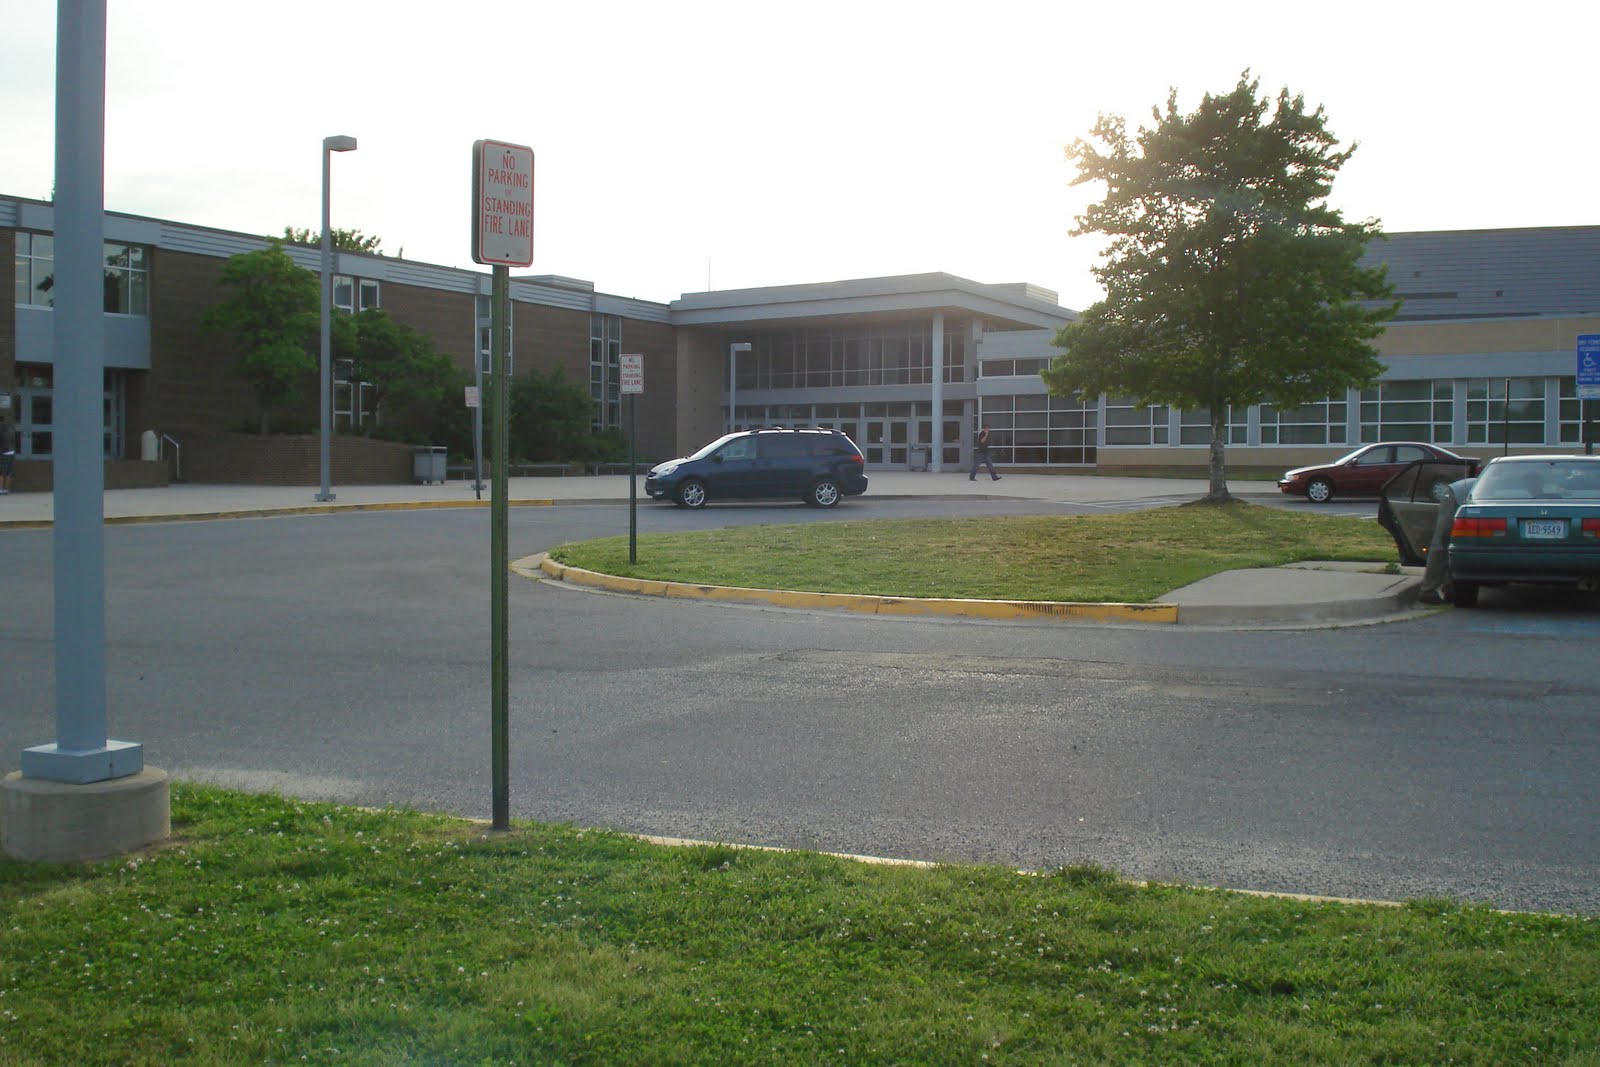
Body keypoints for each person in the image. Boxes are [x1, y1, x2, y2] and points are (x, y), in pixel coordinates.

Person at [1416, 476, 1476, 605]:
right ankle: (1427, 591)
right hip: (1454, 495)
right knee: (1442, 541)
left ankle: (1449, 587)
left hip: (1465, 498)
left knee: (1453, 544)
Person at [0, 413, 15, 495]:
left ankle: (1, 489)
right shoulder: (9, 428)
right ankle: (6, 490)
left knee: (1, 472)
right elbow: (13, 439)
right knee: (9, 472)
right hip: (11, 451)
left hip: (3, 452)